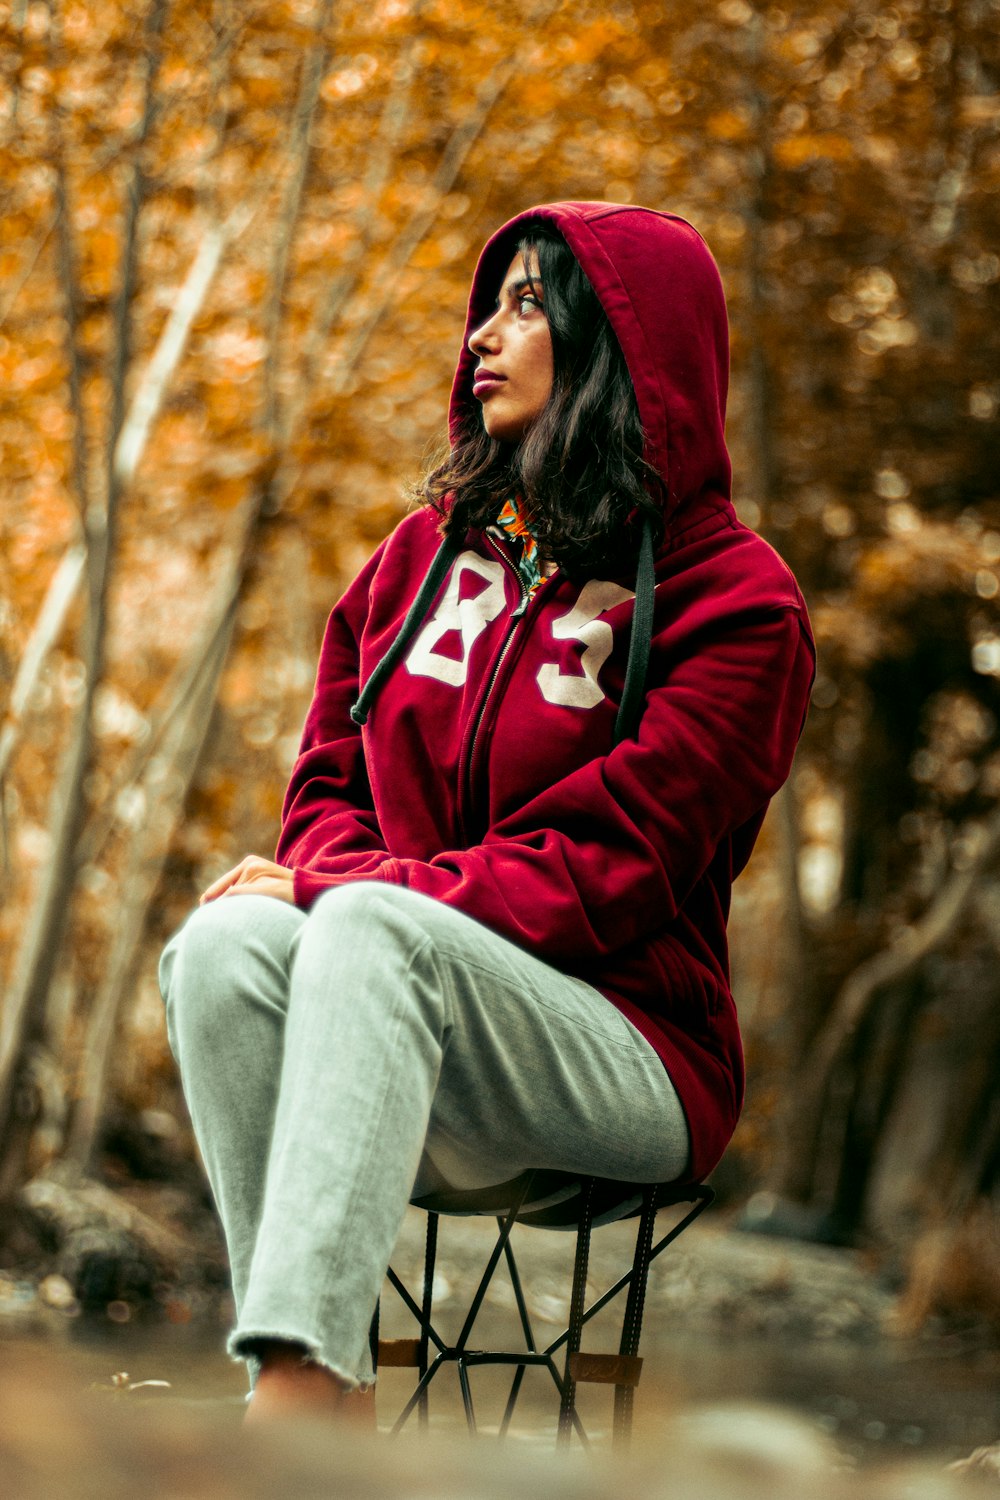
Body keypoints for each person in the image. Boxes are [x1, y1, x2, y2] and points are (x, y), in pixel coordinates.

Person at [159, 201, 816, 1424]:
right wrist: (340, 885)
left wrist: (361, 899)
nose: (482, 336)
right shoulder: (418, 559)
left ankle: (287, 1427)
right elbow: (328, 786)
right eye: (491, 301)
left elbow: (605, 866)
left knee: (359, 926)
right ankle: (314, 1379)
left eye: (528, 305)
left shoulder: (739, 607)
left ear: (622, 345)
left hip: (627, 1054)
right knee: (223, 947)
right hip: (401, 1020)